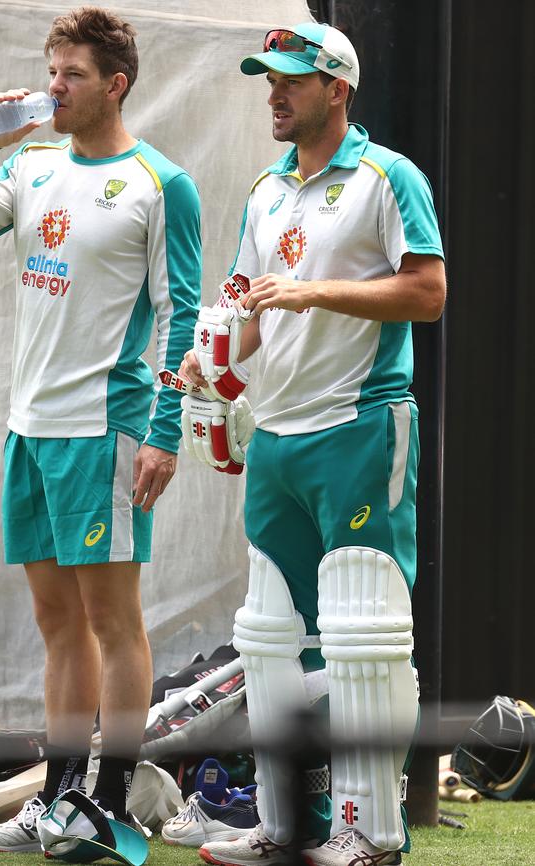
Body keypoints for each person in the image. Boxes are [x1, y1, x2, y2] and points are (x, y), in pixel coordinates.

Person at [0, 5, 201, 855]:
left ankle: (109, 803)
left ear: (113, 85)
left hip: (105, 429)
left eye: (71, 75)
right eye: (52, 71)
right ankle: (55, 799)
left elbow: (182, 312)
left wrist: (165, 431)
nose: (54, 88)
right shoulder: (34, 164)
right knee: (56, 621)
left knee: (113, 619)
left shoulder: (163, 184)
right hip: (30, 427)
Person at [178, 21, 446, 866]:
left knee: (364, 633)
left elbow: (428, 291)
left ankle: (373, 835)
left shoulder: (386, 176)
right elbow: (251, 312)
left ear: (339, 89)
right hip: (278, 437)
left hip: (360, 425)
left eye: (292, 79)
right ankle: (284, 823)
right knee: (268, 636)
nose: (274, 93)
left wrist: (312, 291)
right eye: (269, 79)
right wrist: (211, 357)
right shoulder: (265, 188)